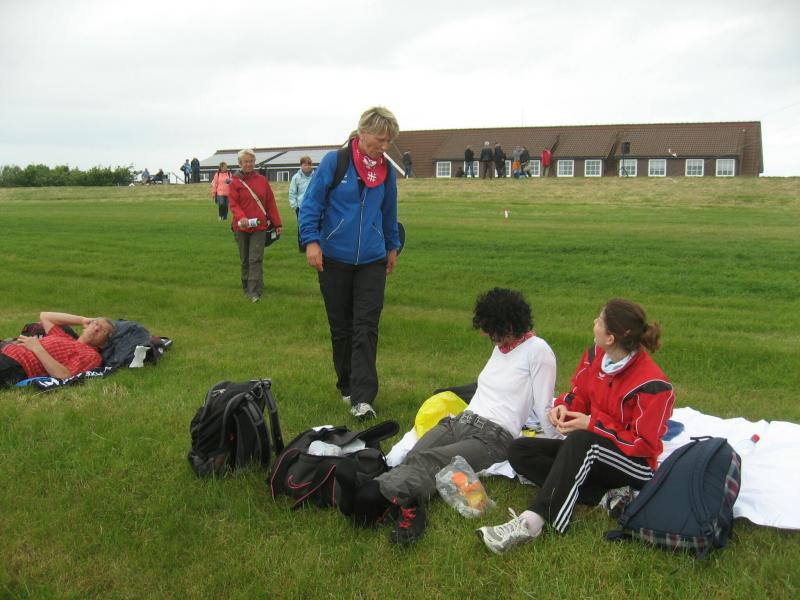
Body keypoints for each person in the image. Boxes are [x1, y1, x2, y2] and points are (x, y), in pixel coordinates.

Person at [335, 288, 557, 545]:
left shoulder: (538, 351)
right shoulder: (501, 348)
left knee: (430, 461)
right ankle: (401, 506)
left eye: (489, 329)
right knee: (414, 455)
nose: (484, 334)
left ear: (508, 325)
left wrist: (556, 449)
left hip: (492, 438)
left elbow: (544, 407)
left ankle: (366, 498)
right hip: (460, 421)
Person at [476, 298, 674, 554]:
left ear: (611, 338)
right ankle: (604, 497)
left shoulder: (653, 385)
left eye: (599, 320)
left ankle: (533, 521)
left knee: (581, 441)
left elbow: (644, 445)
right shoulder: (595, 355)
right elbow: (579, 394)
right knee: (519, 450)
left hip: (635, 465)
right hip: (593, 453)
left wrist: (593, 424)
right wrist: (563, 407)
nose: (594, 322)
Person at [298, 106, 401, 420]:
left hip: (372, 260)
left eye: (389, 141)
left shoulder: (386, 171)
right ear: (363, 133)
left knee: (366, 327)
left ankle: (363, 397)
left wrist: (392, 246)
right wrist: (311, 241)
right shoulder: (336, 162)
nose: (384, 146)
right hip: (334, 259)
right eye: (380, 139)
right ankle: (346, 384)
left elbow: (389, 212)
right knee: (341, 328)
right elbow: (311, 204)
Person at [1, 312, 115, 386]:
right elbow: (45, 316)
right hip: (7, 349)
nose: (96, 328)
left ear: (104, 343)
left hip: (18, 363)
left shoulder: (92, 356)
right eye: (96, 323)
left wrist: (37, 348)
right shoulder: (64, 336)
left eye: (103, 330)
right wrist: (82, 320)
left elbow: (64, 376)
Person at [228, 149, 282, 303]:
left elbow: (270, 203)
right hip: (241, 226)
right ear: (240, 163)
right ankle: (246, 286)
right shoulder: (234, 182)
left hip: (259, 226)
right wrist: (242, 217)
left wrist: (277, 223)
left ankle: (254, 291)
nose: (249, 164)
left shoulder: (262, 180)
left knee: (255, 258)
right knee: (245, 259)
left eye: (251, 161)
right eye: (246, 161)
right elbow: (233, 204)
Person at [288, 156, 314, 251]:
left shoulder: (315, 176)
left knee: (314, 225)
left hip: (314, 206)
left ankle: (313, 245)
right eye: (305, 165)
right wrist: (294, 206)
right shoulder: (296, 178)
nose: (307, 167)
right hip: (301, 207)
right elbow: (292, 192)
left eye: (309, 165)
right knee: (302, 226)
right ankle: (302, 246)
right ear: (301, 165)